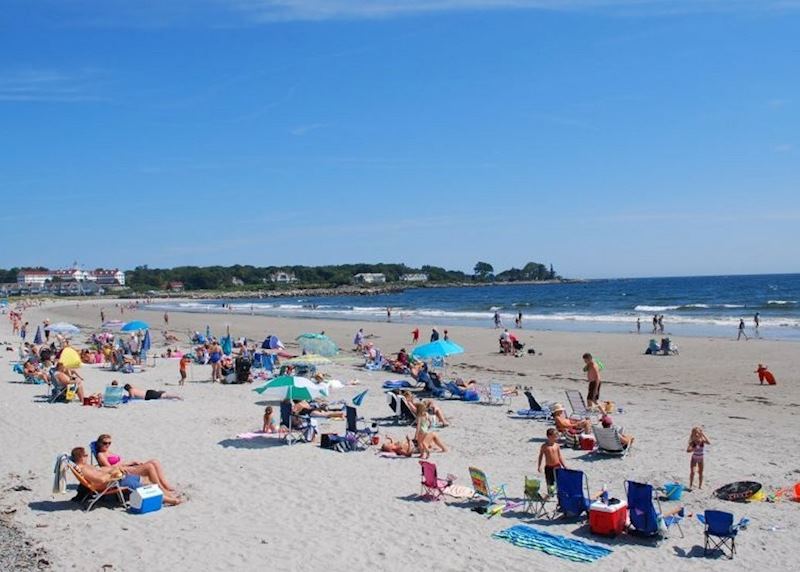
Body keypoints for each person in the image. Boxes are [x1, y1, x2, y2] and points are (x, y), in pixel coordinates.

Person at [70, 447, 182, 506]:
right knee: (142, 488)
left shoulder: (85, 466)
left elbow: (102, 470)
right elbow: (100, 479)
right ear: (80, 457)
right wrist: (113, 473)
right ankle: (172, 501)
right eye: (85, 455)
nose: (87, 456)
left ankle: (166, 492)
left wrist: (114, 469)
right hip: (112, 483)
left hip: (116, 478)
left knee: (145, 482)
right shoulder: (84, 469)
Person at [94, 434, 176, 492]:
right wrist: (127, 464)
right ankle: (161, 489)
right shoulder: (101, 454)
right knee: (149, 466)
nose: (107, 445)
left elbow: (120, 462)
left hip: (126, 467)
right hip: (122, 473)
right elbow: (110, 468)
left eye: (109, 443)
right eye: (105, 443)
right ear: (100, 443)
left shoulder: (108, 451)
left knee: (155, 461)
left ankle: (165, 485)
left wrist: (131, 462)